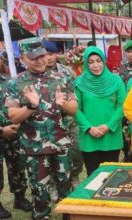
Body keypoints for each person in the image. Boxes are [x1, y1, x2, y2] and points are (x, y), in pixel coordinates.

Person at [5, 37, 77, 220]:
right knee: (40, 192)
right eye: (33, 57)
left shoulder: (62, 78)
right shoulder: (16, 83)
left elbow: (74, 109)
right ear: (22, 58)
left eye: (42, 56)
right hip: (34, 148)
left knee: (66, 187)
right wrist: (30, 107)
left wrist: (63, 105)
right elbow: (12, 116)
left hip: (60, 144)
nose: (39, 60)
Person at [42, 39, 83, 203]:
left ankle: (74, 177)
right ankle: (53, 184)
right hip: (49, 123)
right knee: (51, 154)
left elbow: (75, 94)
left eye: (51, 54)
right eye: (45, 55)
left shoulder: (67, 72)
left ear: (56, 54)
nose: (48, 58)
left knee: (77, 151)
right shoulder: (37, 74)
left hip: (69, 120)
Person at [75, 46, 126, 176]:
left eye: (99, 61)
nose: (96, 65)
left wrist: (109, 126)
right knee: (93, 176)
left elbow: (122, 106)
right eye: (91, 62)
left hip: (111, 136)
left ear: (104, 61)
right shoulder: (79, 82)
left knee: (111, 176)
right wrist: (88, 128)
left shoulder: (116, 80)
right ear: (86, 63)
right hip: (89, 137)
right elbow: (76, 109)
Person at [0, 53, 32, 219]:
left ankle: (20, 197)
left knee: (17, 168)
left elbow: (18, 103)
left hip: (14, 132)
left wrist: (18, 122)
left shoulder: (8, 81)